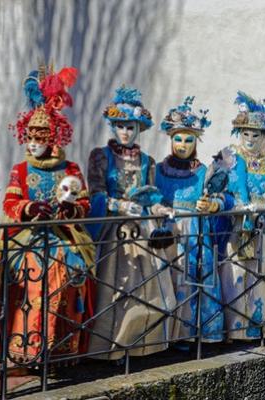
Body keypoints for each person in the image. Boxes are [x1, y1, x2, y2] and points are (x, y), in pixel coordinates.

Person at [0, 65, 95, 362]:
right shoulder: (20, 170)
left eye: (40, 138)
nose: (33, 143)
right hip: (28, 236)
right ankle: (26, 348)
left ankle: (60, 347)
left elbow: (85, 203)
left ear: (53, 138)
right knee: (34, 272)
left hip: (62, 234)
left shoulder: (70, 170)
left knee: (72, 271)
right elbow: (9, 204)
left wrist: (72, 209)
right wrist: (29, 209)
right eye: (30, 137)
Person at [86, 86, 176, 360]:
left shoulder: (148, 161)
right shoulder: (101, 156)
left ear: (139, 128)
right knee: (115, 288)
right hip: (114, 232)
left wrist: (160, 207)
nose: (125, 132)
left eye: (130, 126)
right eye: (120, 126)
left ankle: (141, 344)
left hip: (142, 231)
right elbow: (96, 194)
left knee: (147, 289)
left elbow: (150, 195)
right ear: (113, 127)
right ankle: (109, 348)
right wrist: (121, 205)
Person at [155, 96, 233, 343]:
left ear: (196, 142)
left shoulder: (204, 172)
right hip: (166, 232)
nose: (182, 145)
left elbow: (223, 198)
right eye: (178, 139)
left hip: (196, 234)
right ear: (171, 140)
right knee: (166, 281)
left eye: (189, 140)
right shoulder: (157, 170)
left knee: (195, 280)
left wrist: (211, 205)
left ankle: (195, 336)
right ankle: (164, 337)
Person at [218, 91, 265, 340]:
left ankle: (258, 327)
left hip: (263, 230)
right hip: (237, 228)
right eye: (245, 134)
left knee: (260, 276)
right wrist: (237, 207)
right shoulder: (230, 158)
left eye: (255, 134)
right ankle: (236, 330)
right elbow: (218, 190)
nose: (249, 139)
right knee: (236, 275)